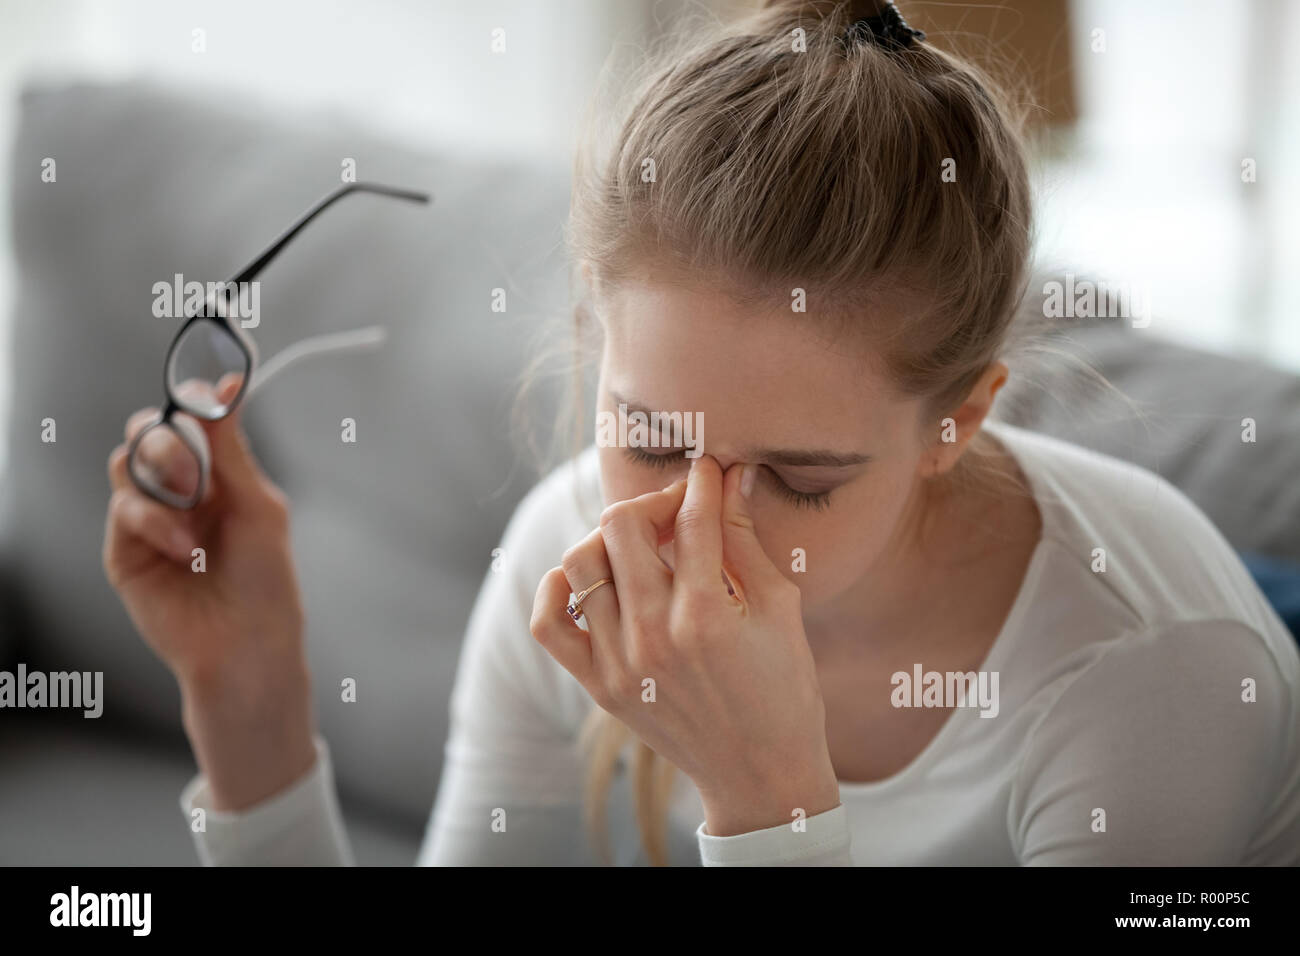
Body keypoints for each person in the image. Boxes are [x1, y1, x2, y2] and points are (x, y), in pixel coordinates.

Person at [102, 0, 1300, 865]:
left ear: (957, 420)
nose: (693, 526)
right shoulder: (567, 546)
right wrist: (247, 696)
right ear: (593, 347)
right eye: (653, 438)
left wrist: (766, 793)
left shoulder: (1150, 673)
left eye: (798, 476)